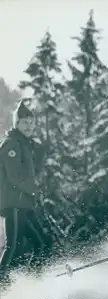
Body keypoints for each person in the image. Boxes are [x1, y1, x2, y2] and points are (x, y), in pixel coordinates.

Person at [0, 100, 50, 284]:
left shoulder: (25, 145)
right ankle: (2, 286)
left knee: (43, 243)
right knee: (13, 247)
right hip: (13, 203)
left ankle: (32, 283)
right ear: (17, 123)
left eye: (32, 122)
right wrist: (35, 189)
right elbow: (15, 176)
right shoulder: (11, 144)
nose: (30, 126)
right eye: (25, 122)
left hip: (23, 204)